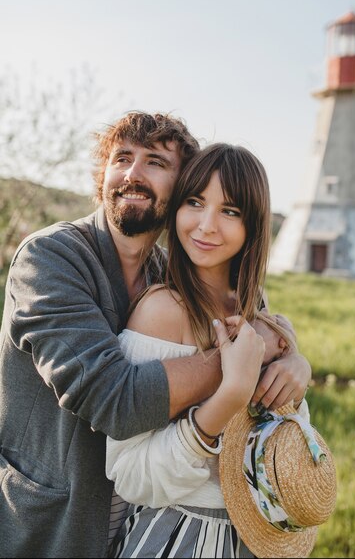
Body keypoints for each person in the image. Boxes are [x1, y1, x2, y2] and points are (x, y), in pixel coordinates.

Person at [0, 112, 311, 559]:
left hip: (146, 517)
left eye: (156, 162)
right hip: (58, 518)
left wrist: (295, 361)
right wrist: (234, 368)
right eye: (122, 157)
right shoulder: (50, 258)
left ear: (181, 185)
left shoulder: (173, 272)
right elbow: (112, 399)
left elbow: (262, 332)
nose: (133, 173)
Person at [106, 143, 312, 558]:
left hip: (258, 535)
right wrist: (227, 398)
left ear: (253, 225)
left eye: (230, 211)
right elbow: (129, 475)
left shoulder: (256, 306)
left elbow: (273, 437)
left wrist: (297, 369)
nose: (206, 226)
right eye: (195, 202)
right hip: (179, 536)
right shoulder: (162, 311)